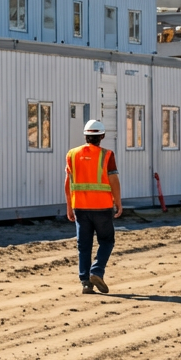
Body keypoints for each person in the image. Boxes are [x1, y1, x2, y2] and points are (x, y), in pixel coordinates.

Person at [64, 119, 122, 295]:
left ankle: (86, 283)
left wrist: (69, 206)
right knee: (106, 241)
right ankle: (96, 271)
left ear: (85, 136)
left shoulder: (72, 154)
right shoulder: (107, 155)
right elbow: (113, 180)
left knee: (84, 245)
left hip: (80, 207)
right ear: (102, 136)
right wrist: (118, 202)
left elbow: (68, 183)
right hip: (102, 207)